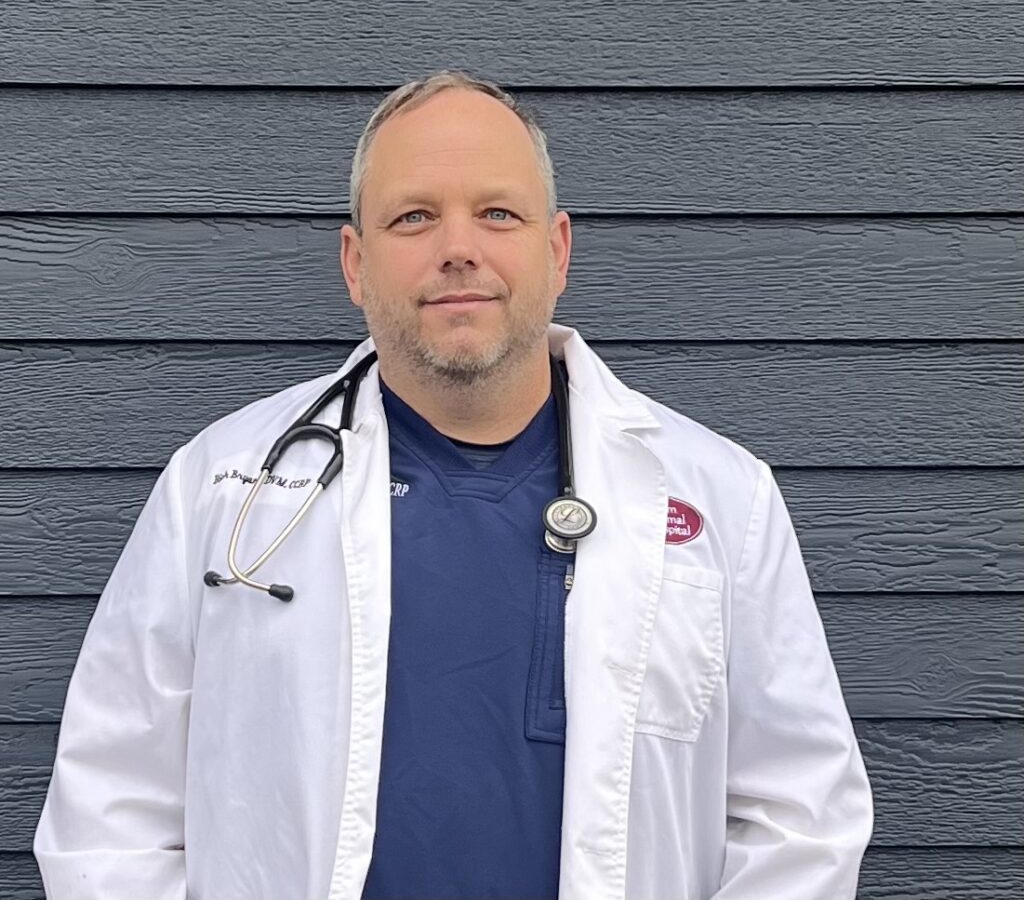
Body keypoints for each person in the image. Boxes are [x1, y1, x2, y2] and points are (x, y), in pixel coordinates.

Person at [33, 69, 873, 900]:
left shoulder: (722, 497)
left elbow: (802, 819)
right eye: (415, 216)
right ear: (356, 263)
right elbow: (109, 809)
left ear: (557, 250)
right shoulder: (217, 485)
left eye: (498, 213)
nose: (459, 247)